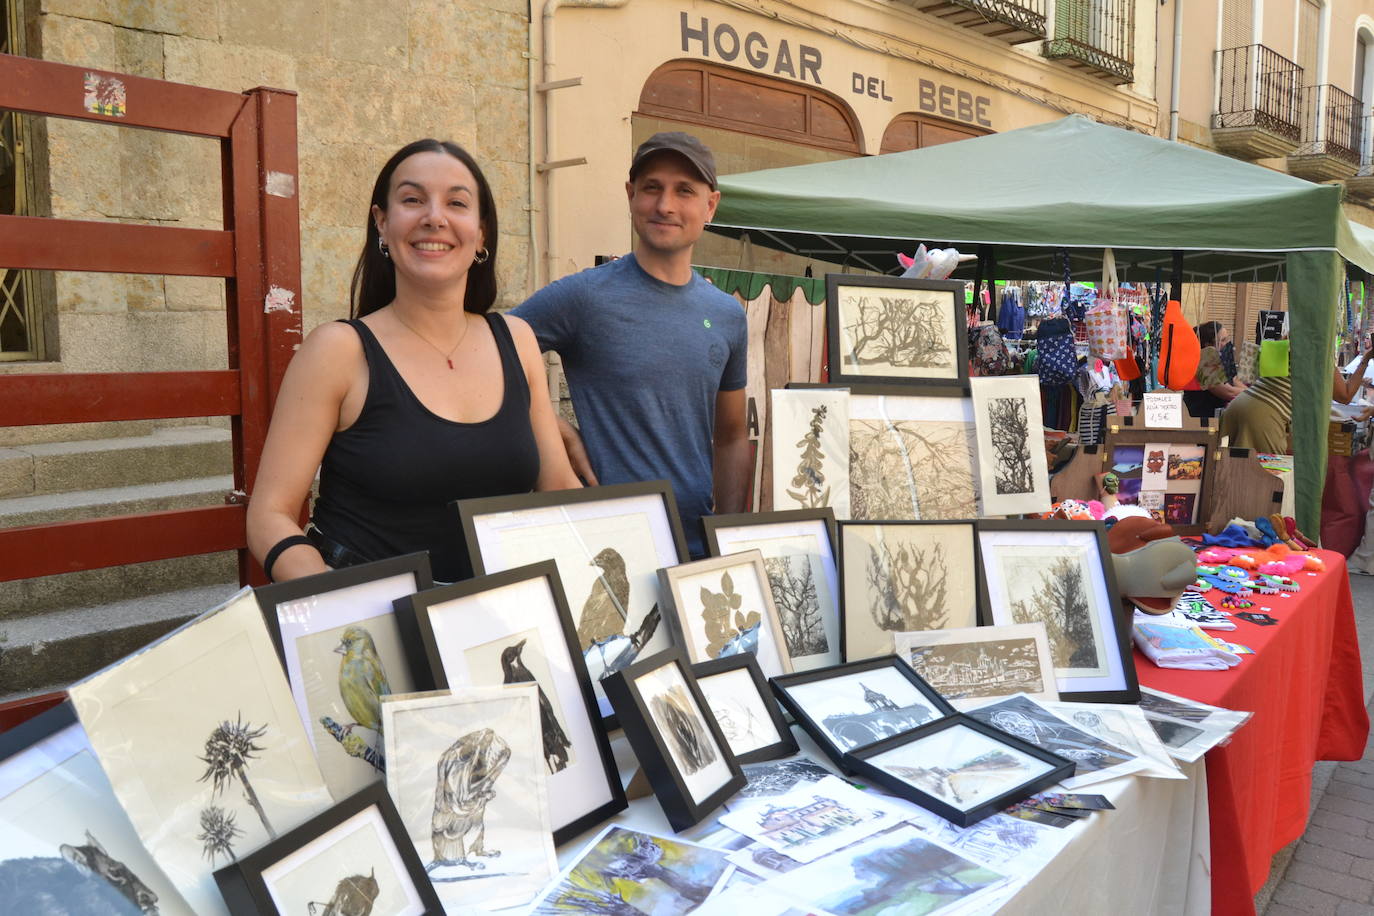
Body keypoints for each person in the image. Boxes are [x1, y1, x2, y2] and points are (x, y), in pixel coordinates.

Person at [247, 139, 580, 583]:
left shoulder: (517, 341)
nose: (434, 218)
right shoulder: (338, 351)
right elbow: (270, 515)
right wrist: (339, 604)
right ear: (382, 223)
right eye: (412, 199)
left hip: (497, 626)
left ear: (481, 233)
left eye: (456, 203)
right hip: (375, 627)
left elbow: (557, 487)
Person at [512, 132, 750, 557]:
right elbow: (483, 351)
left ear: (710, 205)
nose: (665, 206)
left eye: (684, 191)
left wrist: (727, 539)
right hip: (603, 547)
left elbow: (731, 436)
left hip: (695, 548)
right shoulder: (584, 297)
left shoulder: (728, 315)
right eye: (652, 188)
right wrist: (556, 430)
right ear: (630, 195)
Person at [1218, 366, 1292, 454]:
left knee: (1227, 465)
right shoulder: (1206, 355)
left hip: (1244, 402)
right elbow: (1227, 391)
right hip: (1264, 413)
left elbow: (1238, 378)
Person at [1182, 321, 1245, 419]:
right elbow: (1228, 392)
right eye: (1222, 340)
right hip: (1201, 420)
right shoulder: (1204, 361)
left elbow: (1234, 380)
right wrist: (1254, 393)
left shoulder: (1222, 358)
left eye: (1227, 339)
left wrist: (1252, 392)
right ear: (1208, 345)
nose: (1227, 343)